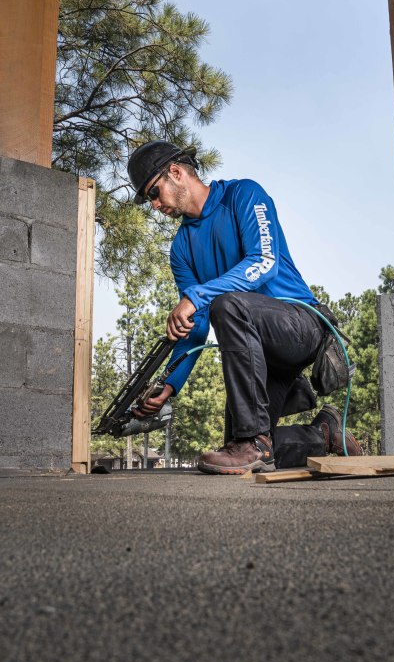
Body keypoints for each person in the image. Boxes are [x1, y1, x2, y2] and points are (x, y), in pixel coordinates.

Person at [126, 140, 362, 475]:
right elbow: (197, 325)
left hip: (301, 326)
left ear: (176, 173)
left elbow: (264, 262)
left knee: (228, 305)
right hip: (256, 353)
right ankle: (323, 434)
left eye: (153, 192)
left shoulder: (244, 195)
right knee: (238, 444)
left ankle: (253, 440)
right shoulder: (181, 248)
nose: (154, 205)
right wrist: (170, 384)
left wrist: (197, 296)